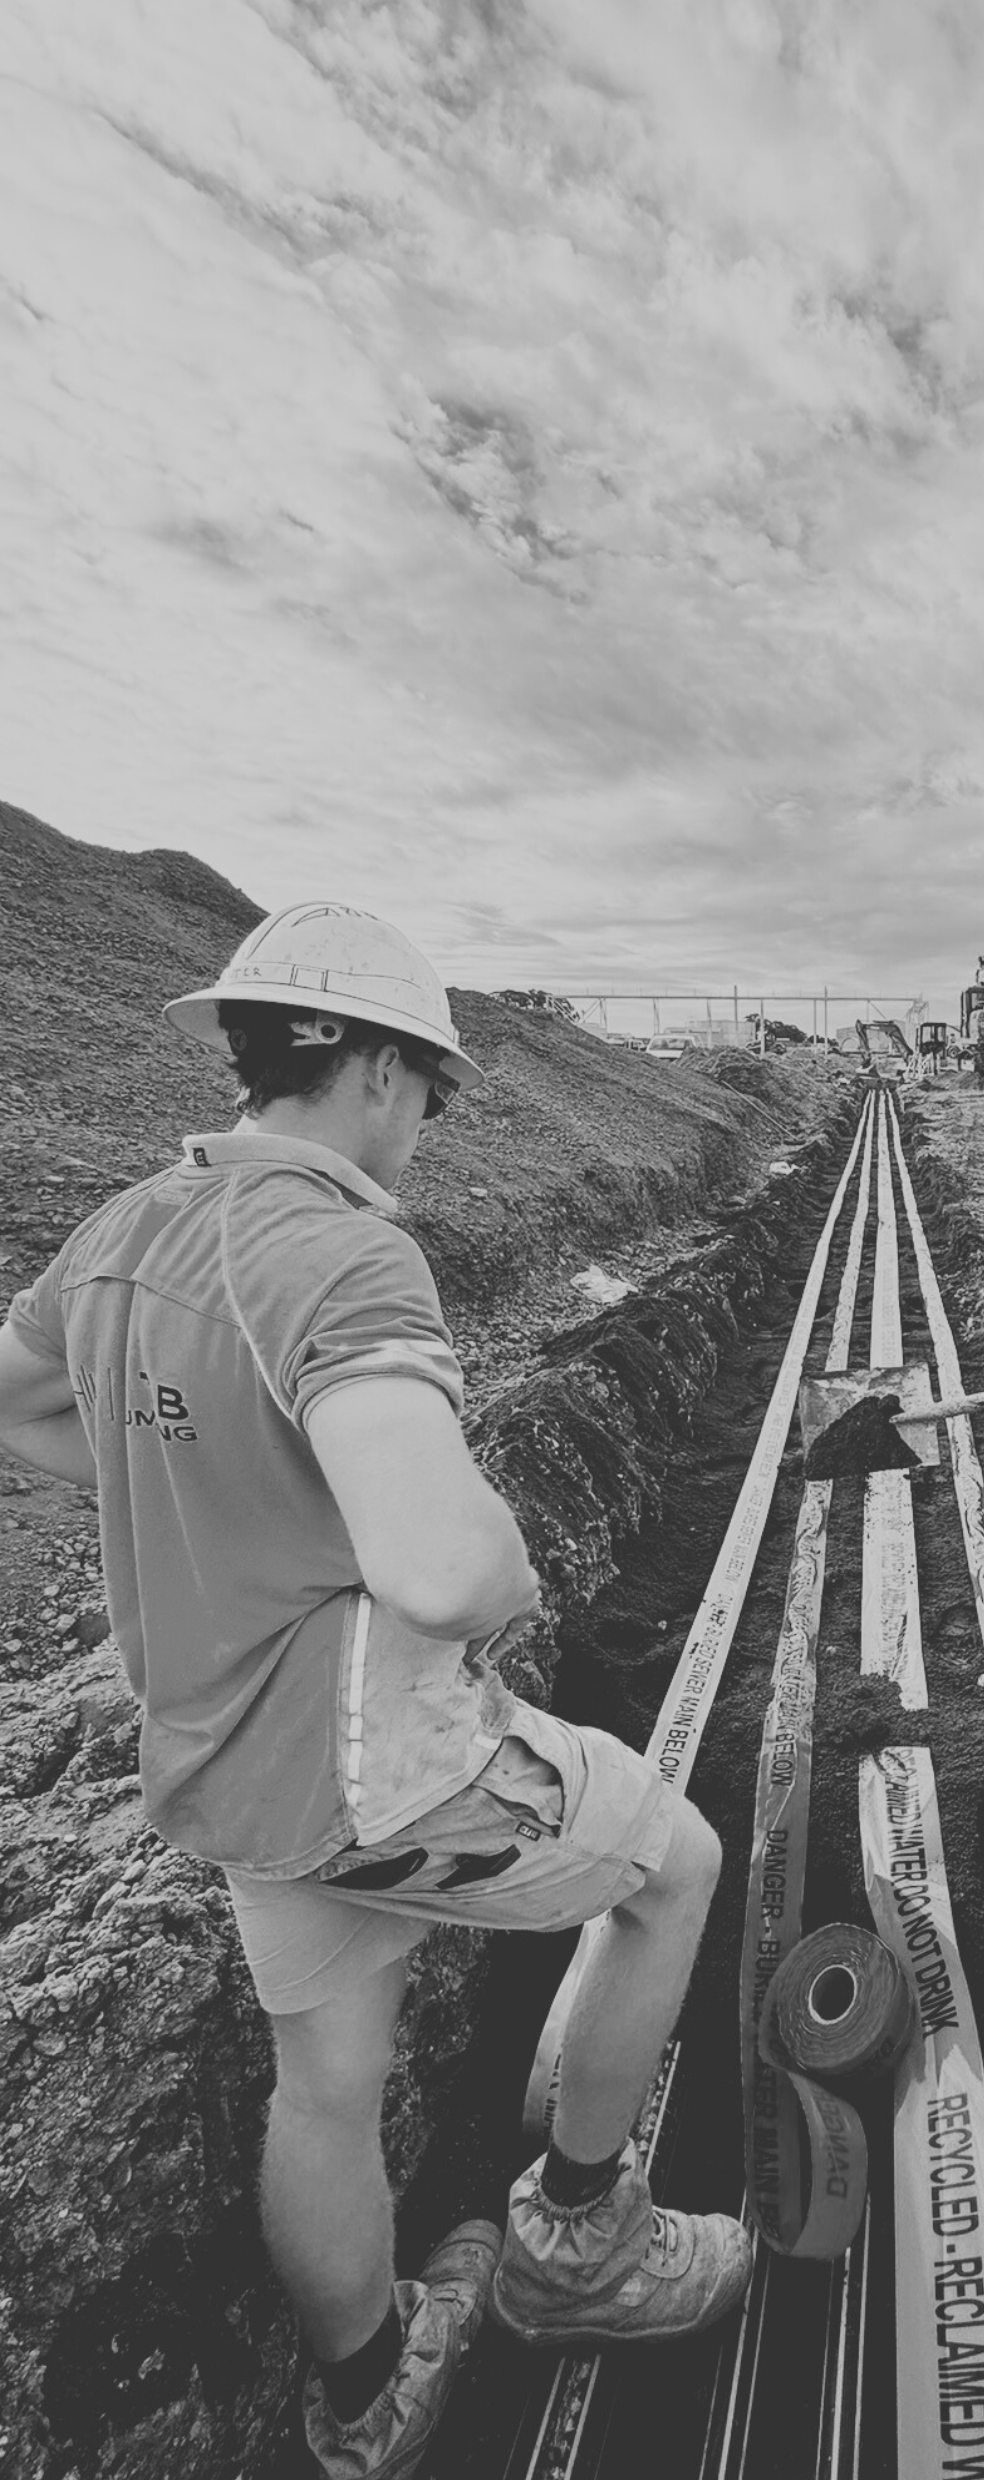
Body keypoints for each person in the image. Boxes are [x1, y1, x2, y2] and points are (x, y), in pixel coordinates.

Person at [0, 903, 750, 2480]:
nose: (427, 1126)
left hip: (228, 1766)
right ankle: (579, 2246)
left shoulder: (128, 1228)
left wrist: (186, 1493)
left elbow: (25, 1407)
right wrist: (499, 1557)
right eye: (435, 1091)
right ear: (384, 1073)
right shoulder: (341, 1253)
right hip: (384, 1768)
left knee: (326, 2088)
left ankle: (364, 2392)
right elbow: (444, 1575)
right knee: (675, 1869)